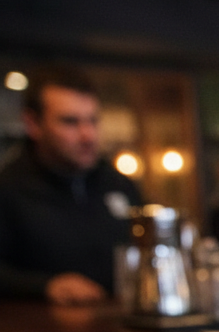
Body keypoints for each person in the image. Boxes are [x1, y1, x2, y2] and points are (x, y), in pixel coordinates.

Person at [0, 64, 143, 304]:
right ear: (33, 124)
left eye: (93, 121)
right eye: (70, 122)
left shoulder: (118, 184)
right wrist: (44, 286)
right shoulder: (9, 189)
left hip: (118, 329)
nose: (87, 135)